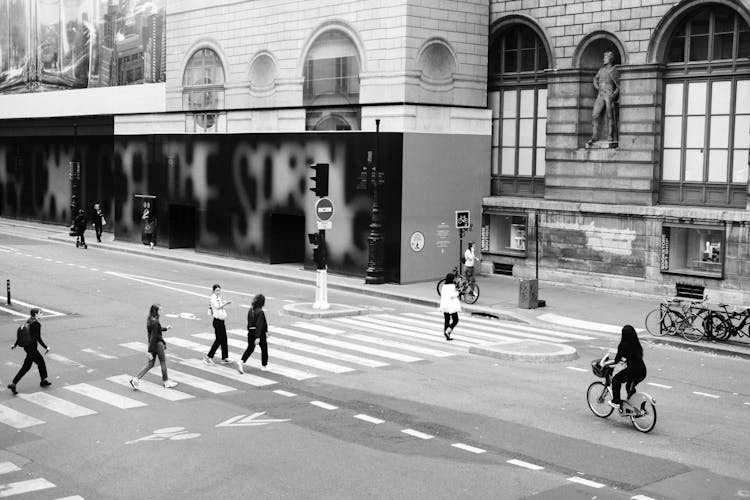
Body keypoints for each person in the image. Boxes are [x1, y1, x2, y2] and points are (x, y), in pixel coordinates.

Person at [130, 304, 177, 389]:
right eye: (160, 310)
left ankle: (136, 379)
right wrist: (150, 351)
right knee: (163, 362)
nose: (161, 312)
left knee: (150, 364)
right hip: (157, 344)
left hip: (152, 345)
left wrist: (166, 328)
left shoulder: (150, 319)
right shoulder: (156, 322)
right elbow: (154, 336)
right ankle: (166, 381)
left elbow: (155, 330)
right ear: (156, 311)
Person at [8, 308, 51, 395]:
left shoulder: (28, 320)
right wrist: (46, 347)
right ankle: (13, 383)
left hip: (27, 347)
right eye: (40, 313)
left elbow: (22, 334)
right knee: (30, 365)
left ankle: (43, 380)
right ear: (35, 314)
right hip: (32, 348)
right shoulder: (36, 324)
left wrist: (15, 345)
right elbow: (38, 338)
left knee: (36, 363)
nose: (41, 314)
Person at [606, 325, 647, 410]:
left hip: (633, 370)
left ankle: (616, 401)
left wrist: (607, 363)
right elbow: (634, 357)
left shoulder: (623, 345)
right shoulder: (637, 343)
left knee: (616, 380)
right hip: (642, 370)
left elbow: (617, 360)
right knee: (629, 386)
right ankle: (635, 407)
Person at [587, 50, 620, 146]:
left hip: (608, 95)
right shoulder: (601, 70)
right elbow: (595, 79)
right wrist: (597, 87)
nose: (603, 59)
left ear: (610, 59)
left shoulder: (614, 70)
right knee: (595, 115)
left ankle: (610, 135)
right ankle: (594, 136)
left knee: (610, 116)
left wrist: (613, 95)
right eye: (604, 57)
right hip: (601, 94)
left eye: (605, 57)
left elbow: (618, 86)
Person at [237, 294, 269, 373]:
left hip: (251, 331)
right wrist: (259, 336)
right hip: (259, 333)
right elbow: (260, 324)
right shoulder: (260, 312)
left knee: (250, 348)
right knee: (264, 348)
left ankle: (241, 361)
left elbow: (249, 321)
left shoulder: (250, 310)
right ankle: (264, 366)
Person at [204, 284, 232, 365]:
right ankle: (208, 357)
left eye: (219, 290)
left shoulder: (218, 297)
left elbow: (219, 304)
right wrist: (226, 303)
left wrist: (223, 302)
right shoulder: (213, 298)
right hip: (217, 321)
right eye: (216, 290)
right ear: (213, 291)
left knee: (224, 339)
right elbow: (217, 307)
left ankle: (224, 357)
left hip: (221, 321)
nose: (218, 292)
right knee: (219, 340)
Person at [439, 273, 461, 341]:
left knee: (447, 320)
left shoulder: (444, 286)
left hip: (444, 305)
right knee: (455, 320)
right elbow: (452, 295)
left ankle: (447, 335)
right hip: (451, 305)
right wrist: (458, 292)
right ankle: (448, 331)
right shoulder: (452, 286)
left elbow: (442, 295)